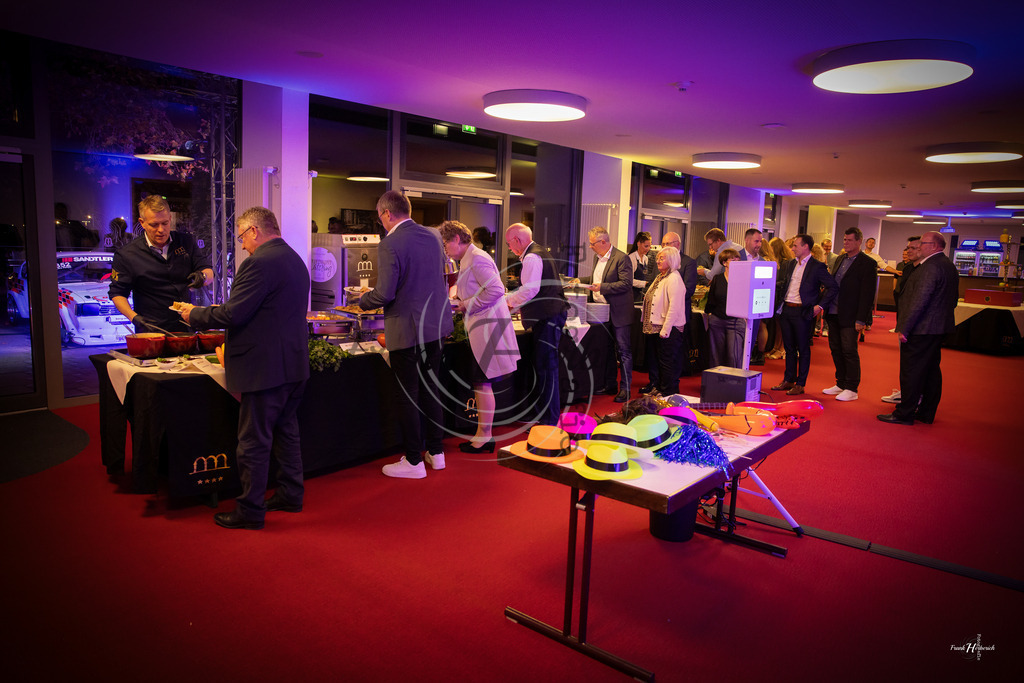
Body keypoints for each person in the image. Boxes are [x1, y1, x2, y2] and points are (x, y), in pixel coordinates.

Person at [176, 207, 310, 530]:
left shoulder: (258, 263)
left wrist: (194, 314)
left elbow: (234, 314)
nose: (243, 246)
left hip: (265, 368)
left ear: (253, 231)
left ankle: (250, 509)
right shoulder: (295, 260)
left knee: (253, 440)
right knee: (286, 432)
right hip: (293, 364)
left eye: (242, 238)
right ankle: (291, 494)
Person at [361, 191, 454, 479]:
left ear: (387, 213)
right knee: (431, 389)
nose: (381, 223)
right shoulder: (433, 236)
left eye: (380, 217)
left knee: (408, 395)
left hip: (408, 329)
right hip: (436, 325)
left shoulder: (390, 243)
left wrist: (362, 300)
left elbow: (386, 292)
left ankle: (413, 460)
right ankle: (436, 453)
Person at [441, 220, 519, 453]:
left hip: (487, 328)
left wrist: (465, 305)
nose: (444, 248)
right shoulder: (469, 258)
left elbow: (496, 290)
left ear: (456, 239)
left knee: (482, 382)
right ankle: (483, 435)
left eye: (445, 243)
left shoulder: (477, 257)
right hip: (481, 327)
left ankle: (485, 437)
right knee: (481, 383)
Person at [878, 231, 959, 425]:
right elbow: (953, 300)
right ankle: (925, 412)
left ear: (935, 246)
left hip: (922, 328)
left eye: (924, 243)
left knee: (911, 371)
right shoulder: (947, 265)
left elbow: (919, 301)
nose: (919, 246)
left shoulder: (930, 267)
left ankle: (904, 413)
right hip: (937, 328)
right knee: (931, 371)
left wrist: (905, 328)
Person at [109, 195, 212, 334]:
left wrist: (203, 277)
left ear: (170, 219)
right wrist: (134, 318)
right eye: (154, 224)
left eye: (165, 223)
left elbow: (208, 271)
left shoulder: (186, 242)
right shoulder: (127, 254)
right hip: (151, 329)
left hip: (186, 327)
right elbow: (117, 293)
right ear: (142, 222)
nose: (161, 230)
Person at [505, 223, 568, 425]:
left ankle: (549, 420)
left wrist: (507, 301)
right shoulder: (538, 252)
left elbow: (530, 290)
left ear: (518, 240)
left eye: (509, 243)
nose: (509, 248)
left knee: (546, 368)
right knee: (544, 367)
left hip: (548, 316)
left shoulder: (532, 256)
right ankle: (545, 416)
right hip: (550, 315)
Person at [771, 235, 838, 396]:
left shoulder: (817, 266)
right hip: (786, 309)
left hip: (803, 311)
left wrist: (819, 306)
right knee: (788, 347)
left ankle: (800, 383)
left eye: (795, 246)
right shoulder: (789, 264)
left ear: (806, 247)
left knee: (803, 348)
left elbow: (833, 287)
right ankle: (789, 379)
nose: (792, 248)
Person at [577, 226, 633, 402]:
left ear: (603, 242)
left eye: (593, 244)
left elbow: (626, 284)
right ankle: (610, 385)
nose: (591, 247)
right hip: (601, 311)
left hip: (619, 312)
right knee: (607, 350)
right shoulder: (597, 257)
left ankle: (626, 388)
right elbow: (597, 279)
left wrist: (602, 287)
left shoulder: (621, 258)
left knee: (623, 351)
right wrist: (581, 280)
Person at [822, 227, 876, 402]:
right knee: (835, 349)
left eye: (849, 240)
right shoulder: (840, 259)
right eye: (844, 240)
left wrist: (862, 318)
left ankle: (852, 387)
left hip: (851, 314)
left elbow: (867, 294)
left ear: (859, 241)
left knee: (849, 350)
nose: (846, 243)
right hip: (833, 311)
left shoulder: (867, 263)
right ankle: (841, 382)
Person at [640, 246, 689, 395]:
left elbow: (674, 307)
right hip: (657, 327)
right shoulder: (662, 276)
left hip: (669, 328)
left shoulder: (674, 278)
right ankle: (661, 390)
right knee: (659, 362)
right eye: (658, 258)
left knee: (667, 363)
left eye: (662, 258)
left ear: (672, 260)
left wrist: (666, 329)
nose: (658, 261)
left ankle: (669, 394)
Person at [881, 236, 922, 404]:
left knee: (914, 363)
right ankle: (907, 392)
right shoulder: (907, 268)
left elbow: (918, 301)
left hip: (916, 325)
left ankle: (913, 396)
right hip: (905, 319)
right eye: (907, 248)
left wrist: (906, 326)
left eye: (913, 248)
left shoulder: (924, 270)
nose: (908, 251)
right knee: (906, 361)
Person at [706, 249, 744, 369]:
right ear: (724, 263)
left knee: (733, 355)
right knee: (715, 354)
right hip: (717, 320)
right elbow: (711, 299)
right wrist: (708, 315)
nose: (736, 261)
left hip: (735, 321)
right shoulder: (717, 279)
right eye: (733, 259)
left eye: (738, 259)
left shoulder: (743, 278)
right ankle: (716, 381)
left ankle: (733, 382)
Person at [739, 228, 766, 365]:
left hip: (755, 307)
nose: (759, 244)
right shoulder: (736, 257)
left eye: (760, 241)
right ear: (747, 240)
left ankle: (746, 367)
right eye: (756, 241)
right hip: (737, 307)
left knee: (751, 339)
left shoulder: (762, 261)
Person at [765, 237, 794, 359]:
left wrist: (771, 284)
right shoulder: (776, 262)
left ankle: (781, 349)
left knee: (782, 325)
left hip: (782, 297)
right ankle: (775, 347)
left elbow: (783, 281)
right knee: (777, 324)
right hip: (776, 295)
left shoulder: (786, 263)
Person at [627, 231, 652, 303]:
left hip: (641, 294)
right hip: (631, 294)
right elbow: (629, 281)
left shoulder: (645, 259)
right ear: (638, 244)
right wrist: (644, 284)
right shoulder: (631, 258)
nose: (648, 249)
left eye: (649, 246)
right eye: (646, 246)